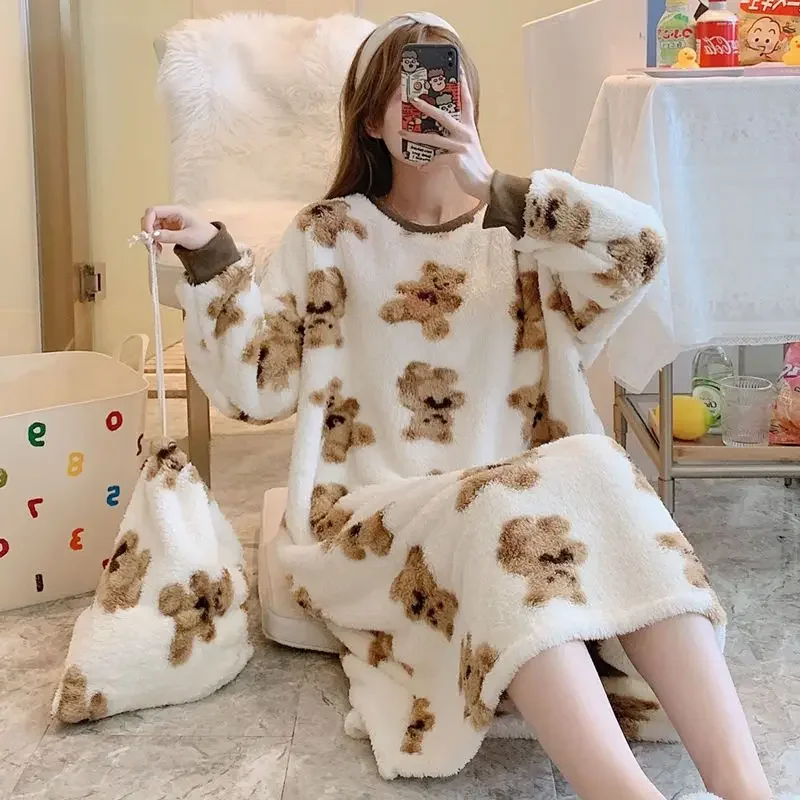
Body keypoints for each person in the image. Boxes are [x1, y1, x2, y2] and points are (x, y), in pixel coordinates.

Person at [141, 13, 774, 800]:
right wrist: (212, 257)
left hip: (515, 504)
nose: (429, 107)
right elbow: (255, 386)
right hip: (375, 521)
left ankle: (748, 788)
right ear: (372, 121)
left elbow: (640, 250)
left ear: (469, 102)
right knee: (504, 513)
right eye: (407, 93)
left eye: (447, 89)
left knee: (599, 469)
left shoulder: (521, 230)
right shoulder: (328, 235)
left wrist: (495, 185)